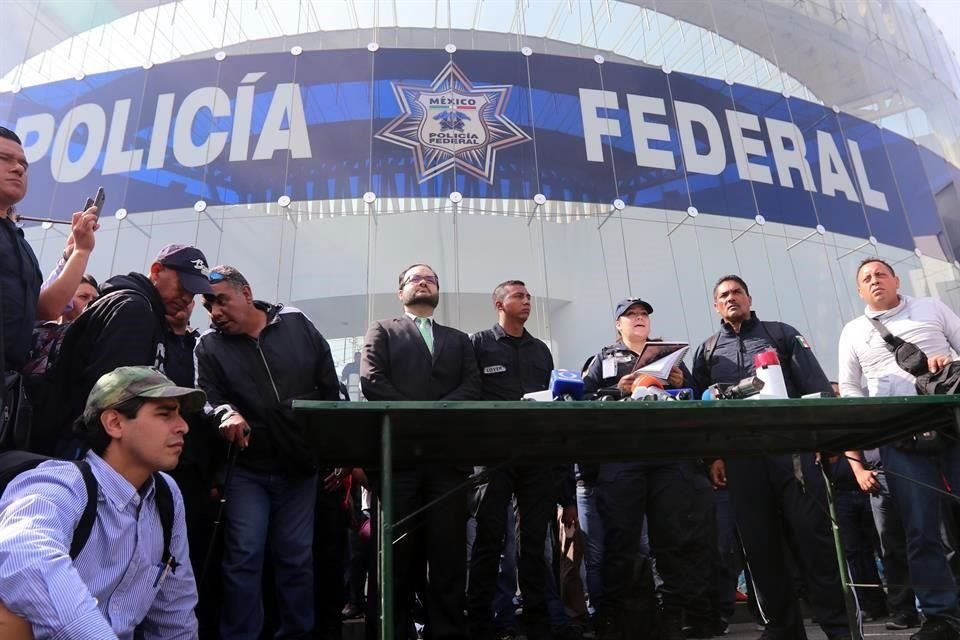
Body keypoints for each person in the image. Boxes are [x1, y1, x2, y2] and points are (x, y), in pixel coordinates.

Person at [690, 275, 852, 640]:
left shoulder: (781, 334)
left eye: (736, 293)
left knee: (816, 544)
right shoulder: (708, 350)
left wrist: (824, 442)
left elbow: (817, 388)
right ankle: (782, 629)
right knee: (760, 551)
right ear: (716, 306)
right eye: (723, 296)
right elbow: (702, 410)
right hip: (741, 461)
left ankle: (840, 628)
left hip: (791, 456)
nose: (731, 299)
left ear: (749, 297)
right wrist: (713, 455)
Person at [0, 365, 204, 639]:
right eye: (164, 414)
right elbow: (24, 554)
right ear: (115, 424)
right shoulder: (60, 484)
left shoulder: (166, 495)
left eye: (179, 414)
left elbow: (174, 610)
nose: (183, 426)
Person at [196, 265, 341, 640]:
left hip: (301, 469)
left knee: (296, 559)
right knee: (243, 558)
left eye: (221, 301)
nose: (214, 312)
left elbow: (330, 386)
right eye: (207, 305)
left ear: (246, 293)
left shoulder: (297, 323)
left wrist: (341, 452)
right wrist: (225, 413)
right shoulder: (208, 346)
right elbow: (207, 399)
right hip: (248, 470)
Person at [838, 258, 960, 640]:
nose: (874, 281)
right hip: (898, 438)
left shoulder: (932, 307)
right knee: (921, 530)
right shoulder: (853, 331)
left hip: (952, 425)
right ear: (860, 291)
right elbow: (851, 391)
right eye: (866, 279)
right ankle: (942, 617)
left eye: (880, 274)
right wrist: (858, 457)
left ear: (896, 280)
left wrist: (949, 364)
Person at [360, 262, 482, 639]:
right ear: (401, 293)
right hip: (399, 460)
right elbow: (372, 380)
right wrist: (417, 415)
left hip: (447, 463)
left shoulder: (459, 339)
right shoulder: (382, 329)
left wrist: (437, 415)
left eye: (431, 278)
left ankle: (445, 631)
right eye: (416, 278)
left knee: (447, 558)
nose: (424, 281)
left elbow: (473, 384)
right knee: (396, 559)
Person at [582, 297, 712, 640]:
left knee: (671, 541)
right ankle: (618, 621)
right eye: (631, 315)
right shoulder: (603, 359)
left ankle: (671, 619)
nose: (639, 319)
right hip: (621, 459)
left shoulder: (669, 356)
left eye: (644, 315)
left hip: (667, 456)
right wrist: (617, 389)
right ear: (618, 325)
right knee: (621, 542)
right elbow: (582, 401)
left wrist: (682, 383)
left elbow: (697, 400)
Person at [467, 279, 576, 640]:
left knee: (534, 545)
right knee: (489, 541)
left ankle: (539, 623)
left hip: (535, 458)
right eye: (519, 296)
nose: (527, 301)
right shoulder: (478, 344)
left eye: (528, 296)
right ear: (499, 303)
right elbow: (469, 396)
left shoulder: (540, 350)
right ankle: (481, 623)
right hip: (492, 458)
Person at [29, 243, 213, 456]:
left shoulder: (148, 312)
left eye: (193, 293)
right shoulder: (133, 309)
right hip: (88, 449)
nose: (186, 298)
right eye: (183, 286)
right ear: (156, 270)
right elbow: (111, 397)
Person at [0, 126, 98, 373]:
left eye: (24, 163)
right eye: (4, 159)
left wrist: (78, 252)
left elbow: (45, 309)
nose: (19, 168)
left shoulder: (19, 243)